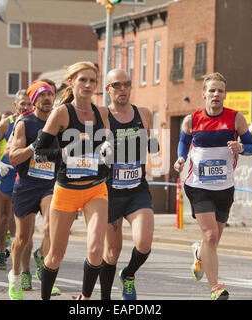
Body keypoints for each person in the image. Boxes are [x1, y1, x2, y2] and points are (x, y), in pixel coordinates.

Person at [32, 61, 112, 300]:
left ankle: (85, 299)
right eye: (82, 80)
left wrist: (109, 148)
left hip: (96, 188)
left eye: (92, 81)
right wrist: (64, 154)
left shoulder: (102, 113)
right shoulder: (61, 113)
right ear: (72, 83)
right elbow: (38, 152)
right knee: (56, 255)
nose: (88, 85)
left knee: (97, 249)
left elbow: (107, 147)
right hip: (66, 189)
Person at [173, 72, 252, 300]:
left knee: (214, 240)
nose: (216, 94)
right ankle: (215, 288)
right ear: (204, 94)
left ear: (225, 95)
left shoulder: (235, 119)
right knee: (210, 235)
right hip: (198, 185)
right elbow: (183, 141)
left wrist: (242, 148)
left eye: (220, 91)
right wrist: (180, 159)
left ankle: (199, 253)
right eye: (212, 90)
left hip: (225, 187)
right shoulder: (192, 119)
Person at [98, 69, 157, 300]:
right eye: (117, 85)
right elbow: (92, 147)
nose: (123, 89)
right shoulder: (102, 114)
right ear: (108, 89)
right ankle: (105, 300)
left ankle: (129, 274)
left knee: (144, 243)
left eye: (127, 84)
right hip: (109, 191)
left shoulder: (144, 113)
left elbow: (150, 145)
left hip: (137, 189)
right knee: (112, 252)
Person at [6, 80, 61, 299]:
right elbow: (13, 157)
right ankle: (15, 277)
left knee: (50, 227)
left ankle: (44, 266)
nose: (47, 99)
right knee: (22, 238)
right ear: (34, 99)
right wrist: (32, 147)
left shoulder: (60, 122)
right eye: (42, 95)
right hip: (27, 185)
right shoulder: (25, 123)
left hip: (50, 184)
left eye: (50, 95)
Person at [0, 90, 31, 270]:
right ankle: (1, 250)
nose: (26, 107)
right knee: (4, 214)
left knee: (18, 215)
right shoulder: (5, 124)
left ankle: (18, 251)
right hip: (5, 173)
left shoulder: (34, 122)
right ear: (15, 105)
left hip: (24, 173)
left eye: (29, 104)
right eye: (22, 103)